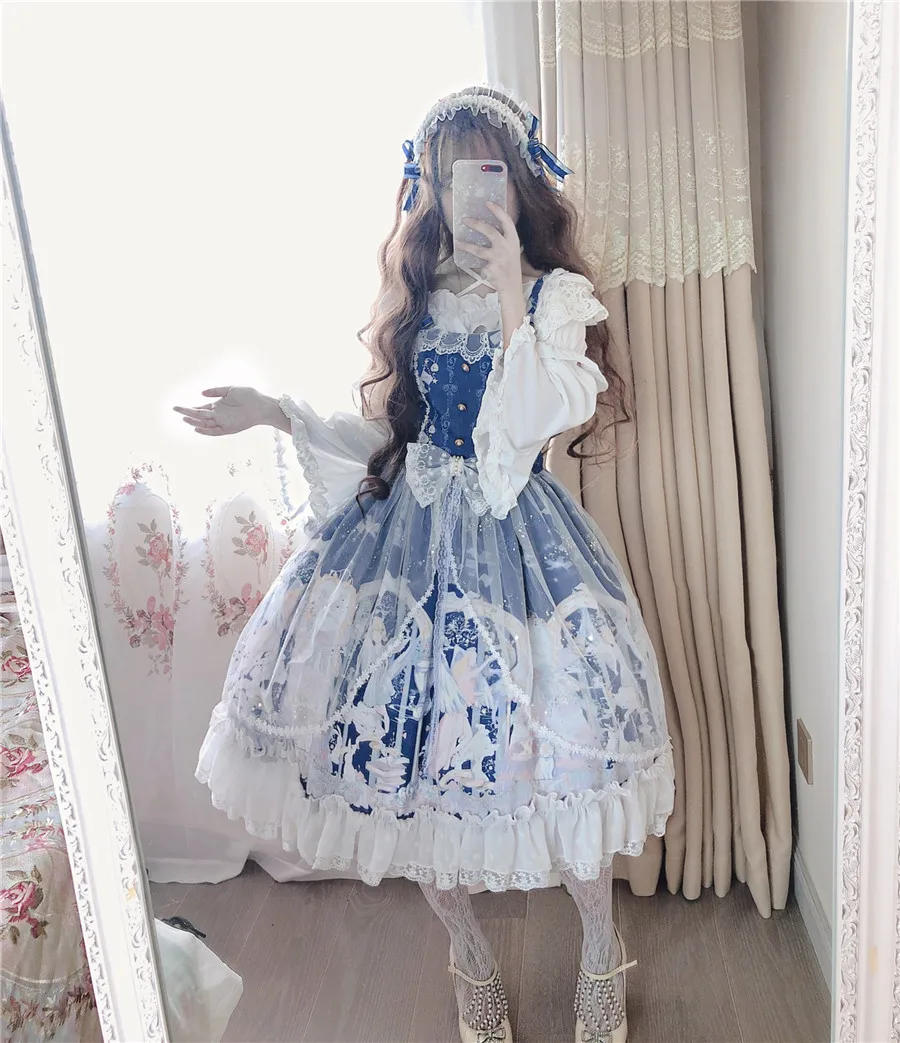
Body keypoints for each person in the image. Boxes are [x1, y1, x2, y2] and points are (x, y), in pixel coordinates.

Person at [175, 85, 674, 1043]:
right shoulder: (418, 295)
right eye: (447, 177)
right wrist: (276, 411)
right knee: (415, 772)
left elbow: (529, 426)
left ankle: (600, 949)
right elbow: (392, 436)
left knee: (567, 759)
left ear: (517, 181)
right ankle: (471, 958)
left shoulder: (556, 299)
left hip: (520, 551)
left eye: (485, 171)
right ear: (429, 188)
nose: (465, 193)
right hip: (410, 552)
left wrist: (514, 293)